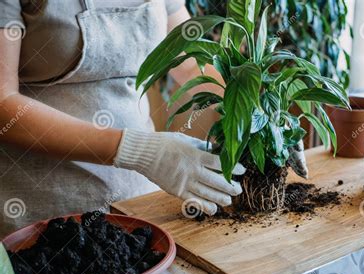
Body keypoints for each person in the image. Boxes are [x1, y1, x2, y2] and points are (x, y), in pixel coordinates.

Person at [0, 0, 308, 236]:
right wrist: (136, 150)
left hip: (138, 198)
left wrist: (258, 114)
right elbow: (3, 103)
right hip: (43, 212)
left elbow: (190, 63)